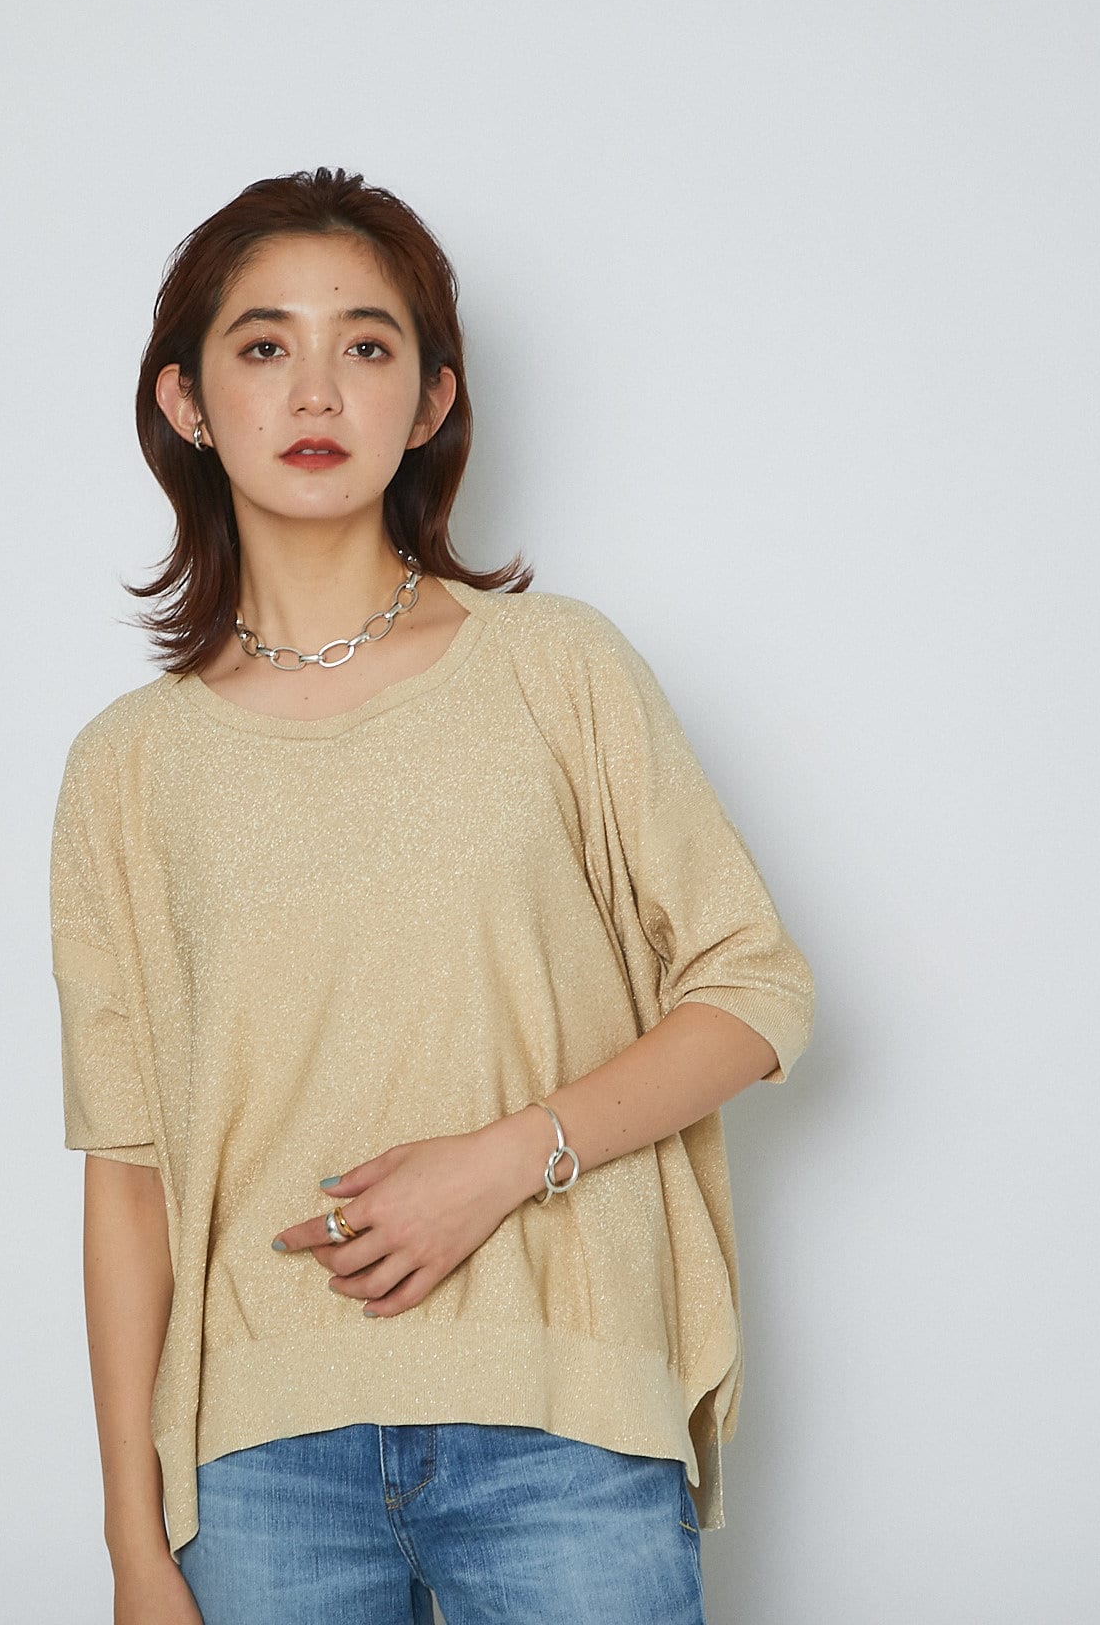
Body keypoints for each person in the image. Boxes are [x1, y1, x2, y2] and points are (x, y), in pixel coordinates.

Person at [48, 168, 815, 1625]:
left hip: (561, 1421)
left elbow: (756, 989)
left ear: (431, 400)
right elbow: (127, 1174)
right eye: (264, 345)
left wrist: (505, 1160)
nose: (316, 389)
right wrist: (134, 1549)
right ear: (187, 403)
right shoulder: (129, 767)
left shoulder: (556, 668)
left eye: (367, 344)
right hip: (259, 1465)